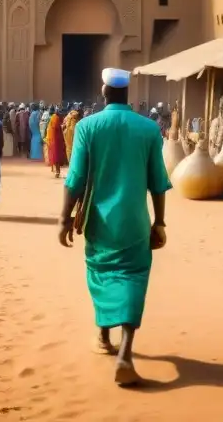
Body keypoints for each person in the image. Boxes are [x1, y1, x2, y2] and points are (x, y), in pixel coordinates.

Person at [58, 68, 171, 387]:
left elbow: (75, 179)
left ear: (104, 92)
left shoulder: (87, 127)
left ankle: (103, 336)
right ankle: (126, 351)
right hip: (134, 221)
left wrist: (64, 218)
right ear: (127, 94)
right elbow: (158, 182)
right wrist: (159, 221)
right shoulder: (149, 129)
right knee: (134, 278)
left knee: (102, 274)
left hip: (98, 221)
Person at [46, 107, 68, 178]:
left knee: (55, 155)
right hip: (56, 140)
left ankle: (56, 170)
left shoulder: (54, 117)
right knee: (57, 156)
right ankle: (57, 172)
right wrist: (64, 126)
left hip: (54, 139)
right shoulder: (56, 118)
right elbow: (57, 127)